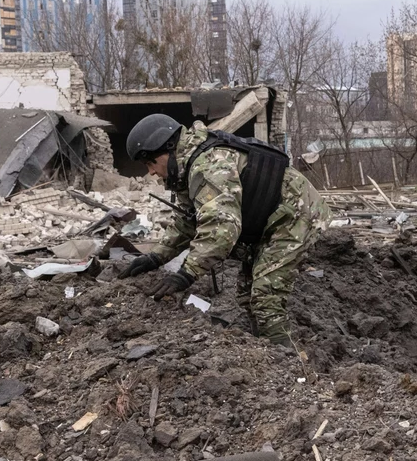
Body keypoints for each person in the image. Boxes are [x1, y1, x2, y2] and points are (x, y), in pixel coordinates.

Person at [119, 114, 330, 347]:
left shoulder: (209, 166)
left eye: (151, 163)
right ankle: (263, 349)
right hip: (270, 217)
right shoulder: (188, 168)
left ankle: (287, 362)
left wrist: (186, 274)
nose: (151, 172)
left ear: (168, 148)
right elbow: (187, 222)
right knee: (247, 294)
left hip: (297, 214)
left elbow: (221, 229)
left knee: (265, 295)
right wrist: (156, 256)